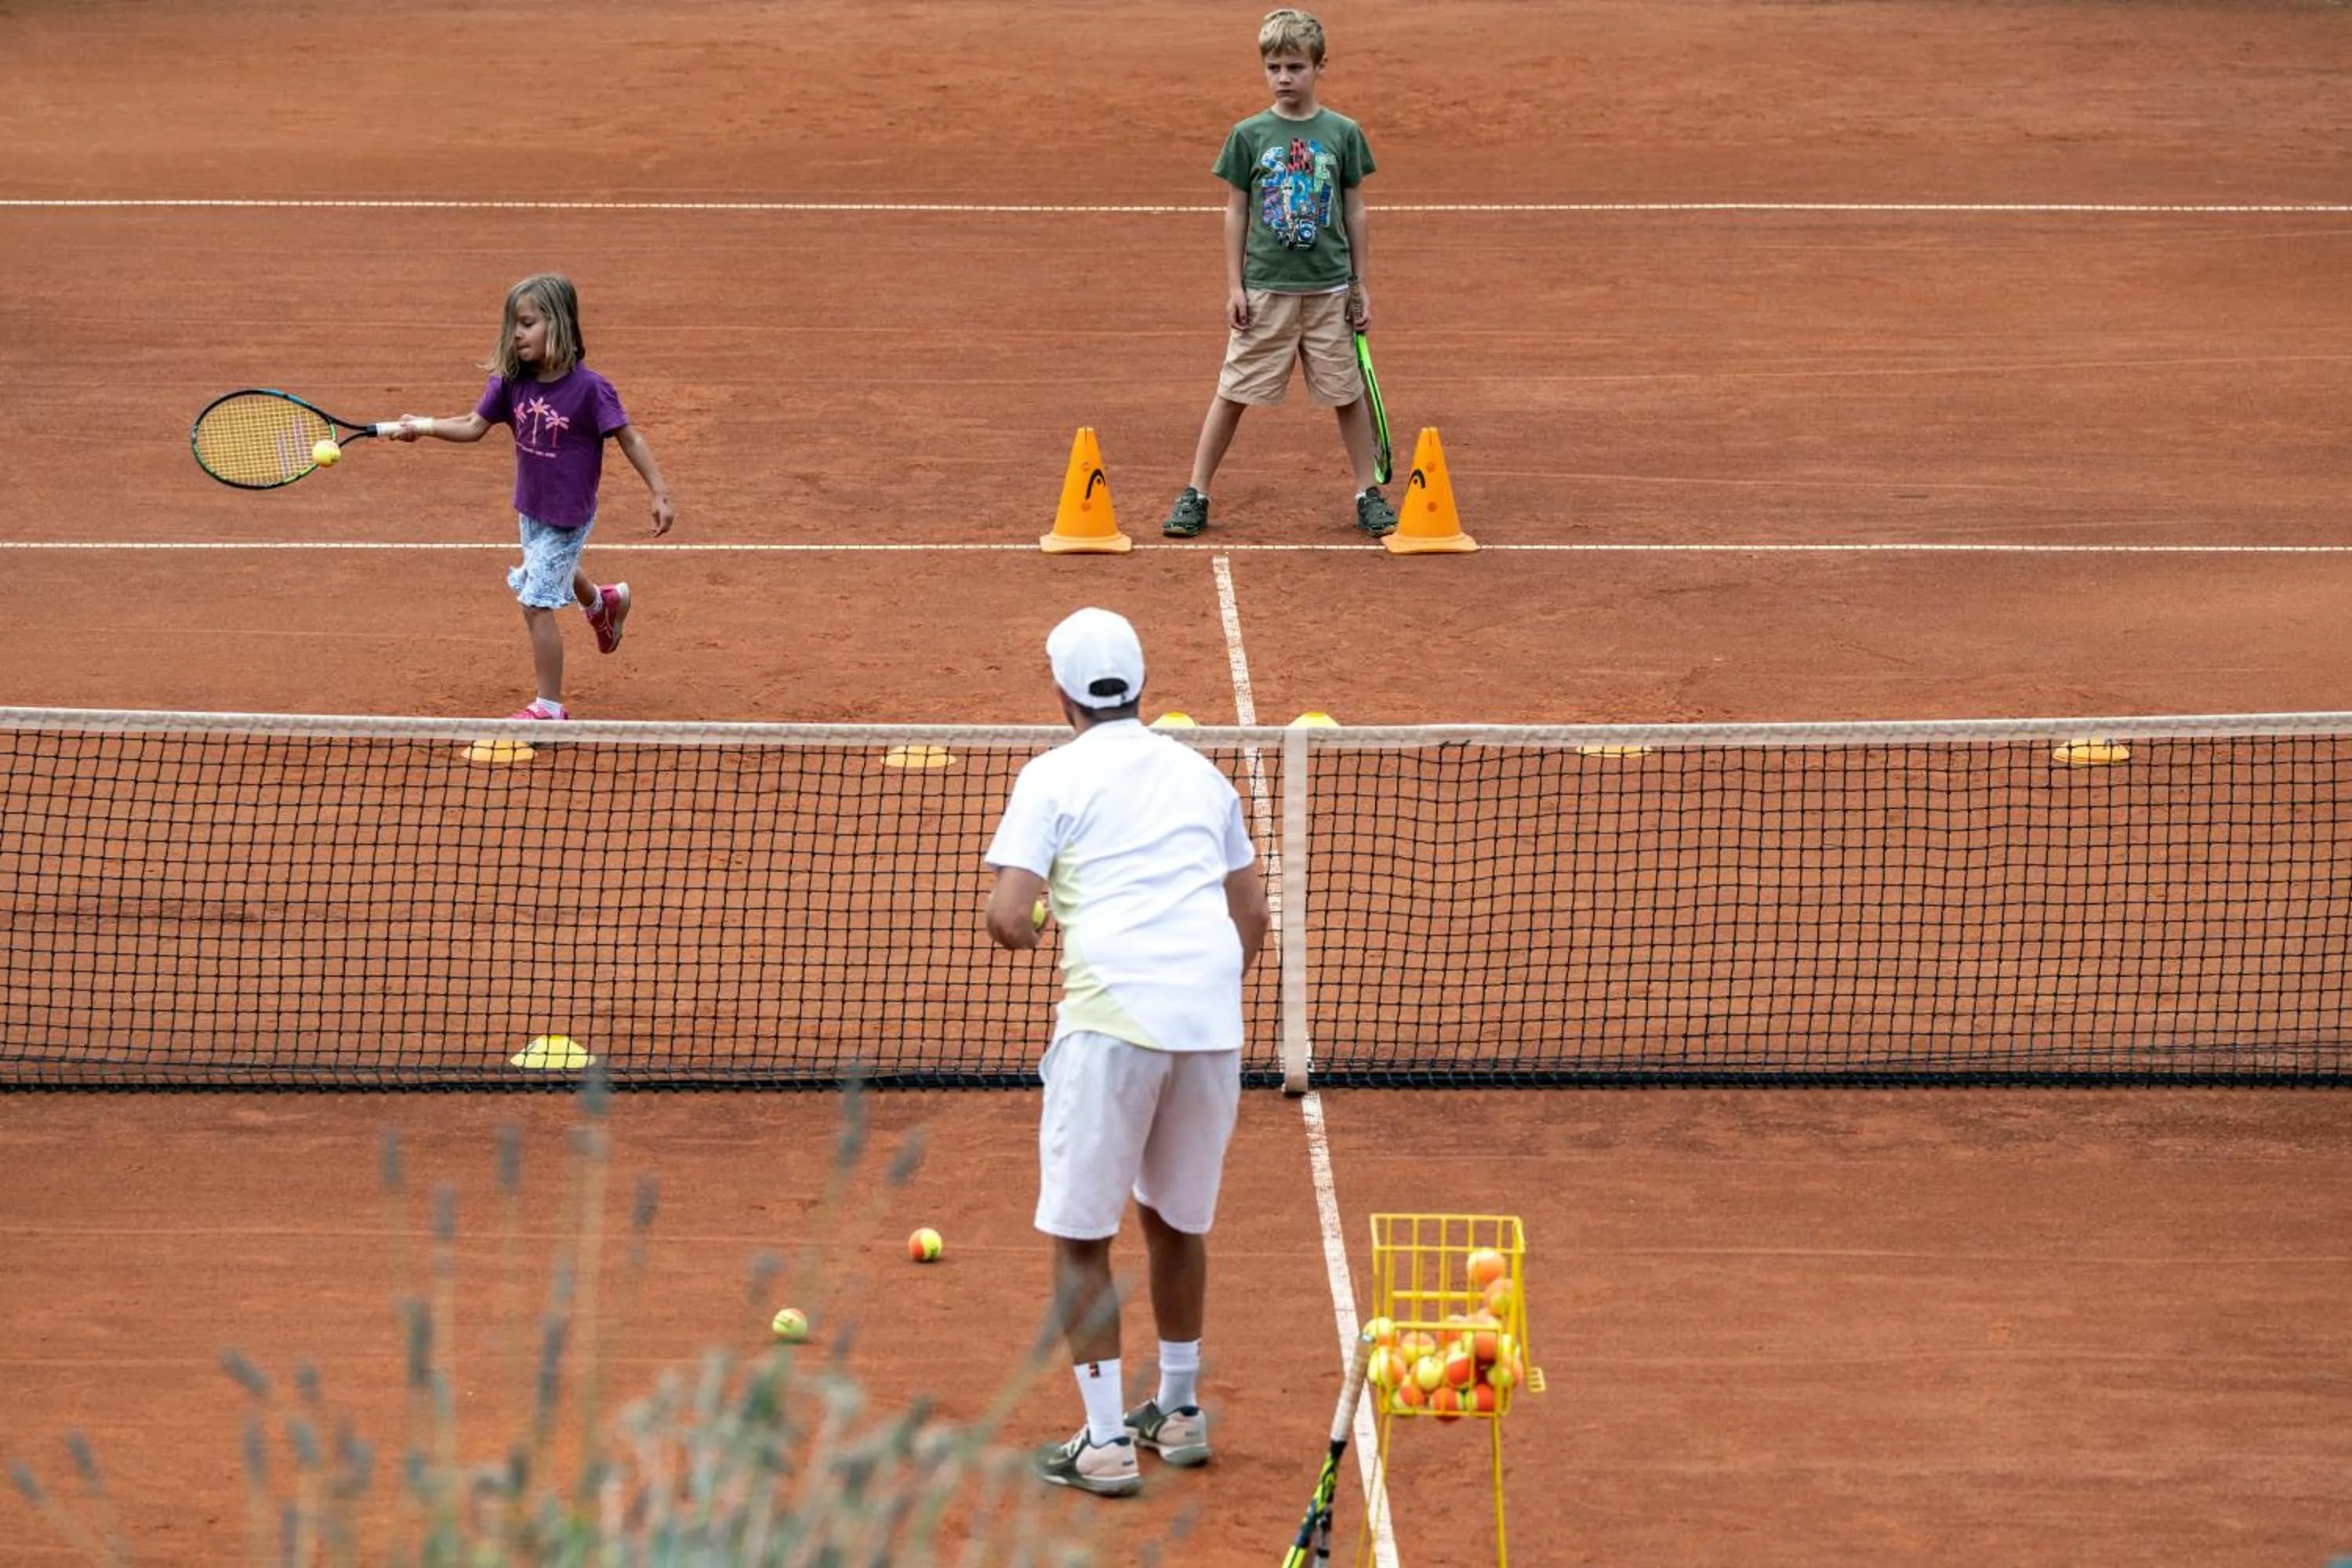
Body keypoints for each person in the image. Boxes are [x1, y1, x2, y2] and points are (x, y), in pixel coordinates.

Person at [983, 608, 1272, 1497]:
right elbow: (1252, 917)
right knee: (1178, 1220)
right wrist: (1195, 986)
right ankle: (1178, 1411)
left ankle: (1105, 1439)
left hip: (1110, 1018)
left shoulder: (1050, 776)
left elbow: (1006, 916)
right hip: (1211, 1020)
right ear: (1141, 687)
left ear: (1061, 693)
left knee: (1081, 1236)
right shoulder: (1200, 773)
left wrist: (1033, 925)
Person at [388, 273, 674, 719]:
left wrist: (659, 491)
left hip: (569, 515)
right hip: (532, 507)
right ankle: (603, 604)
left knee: (535, 602)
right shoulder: (510, 382)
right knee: (551, 570)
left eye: (526, 323)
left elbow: (630, 439)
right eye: (513, 326)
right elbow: (471, 425)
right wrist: (422, 427)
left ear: (557, 324)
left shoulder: (590, 389)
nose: (516, 335)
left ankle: (549, 708)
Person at [1162, 7, 1395, 542]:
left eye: (1295, 66)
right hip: (1267, 291)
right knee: (1233, 390)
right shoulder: (1248, 135)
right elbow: (1236, 211)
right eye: (1274, 68)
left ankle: (1368, 493)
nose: (1284, 78)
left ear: (1320, 66)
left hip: (1330, 292)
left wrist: (1359, 283)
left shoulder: (1342, 133)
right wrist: (1234, 285)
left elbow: (1355, 209)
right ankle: (1196, 491)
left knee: (1347, 392)